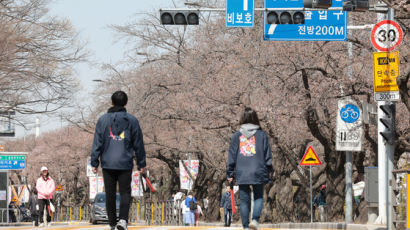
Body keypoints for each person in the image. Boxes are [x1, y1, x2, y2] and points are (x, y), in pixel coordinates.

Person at [91, 91, 146, 230]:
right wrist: (141, 163)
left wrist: (94, 162)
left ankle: (112, 224)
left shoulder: (103, 120)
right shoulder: (132, 121)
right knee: (125, 192)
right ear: (126, 103)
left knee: (109, 193)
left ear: (111, 102)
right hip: (125, 162)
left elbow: (97, 142)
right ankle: (123, 220)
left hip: (108, 162)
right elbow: (138, 143)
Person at [227, 107, 273, 230]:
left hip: (242, 172)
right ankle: (255, 220)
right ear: (255, 118)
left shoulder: (237, 136)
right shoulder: (262, 135)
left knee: (244, 200)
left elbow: (232, 155)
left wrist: (230, 173)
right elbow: (267, 154)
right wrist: (269, 169)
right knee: (258, 196)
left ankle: (246, 227)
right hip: (258, 170)